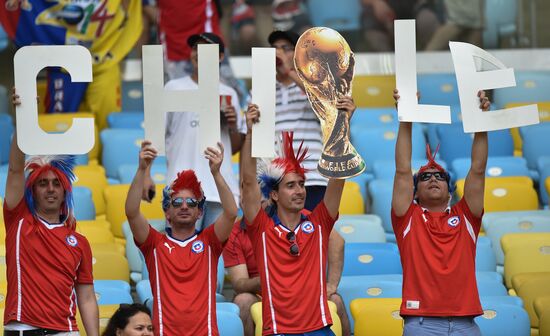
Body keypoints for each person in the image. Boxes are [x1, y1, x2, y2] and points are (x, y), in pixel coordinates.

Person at [242, 97, 355, 334]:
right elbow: (248, 183)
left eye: (302, 184)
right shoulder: (262, 229)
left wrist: (342, 126)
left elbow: (338, 179)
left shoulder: (319, 224)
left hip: (319, 328)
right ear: (273, 194)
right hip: (279, 330)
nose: (300, 190)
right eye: (291, 185)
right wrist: (250, 135)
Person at [391, 89, 490, 335]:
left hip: (466, 324)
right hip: (421, 323)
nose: (433, 178)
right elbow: (403, 170)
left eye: (440, 176)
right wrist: (406, 117)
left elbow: (477, 169)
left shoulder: (467, 216)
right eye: (424, 177)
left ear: (449, 190)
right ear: (414, 193)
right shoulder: (407, 218)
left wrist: (482, 123)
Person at [3, 91, 98, 335]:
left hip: (65, 331)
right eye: (43, 183)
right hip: (22, 329)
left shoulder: (80, 243)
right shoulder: (19, 220)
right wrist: (24, 119)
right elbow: (15, 170)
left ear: (66, 191)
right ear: (32, 190)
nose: (51, 189)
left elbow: (86, 297)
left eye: (57, 184)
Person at [126, 139, 238, 335]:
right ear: (167, 212)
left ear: (200, 212)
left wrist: (216, 173)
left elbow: (230, 212)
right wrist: (142, 169)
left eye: (192, 203)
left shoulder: (209, 241)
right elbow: (132, 212)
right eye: (177, 202)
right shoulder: (154, 244)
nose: (184, 206)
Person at [143, 32, 246, 231]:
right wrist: (146, 174)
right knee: (181, 255)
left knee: (217, 258)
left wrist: (232, 126)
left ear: (220, 57)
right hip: (181, 190)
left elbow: (233, 148)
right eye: (194, 48)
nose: (198, 53)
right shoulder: (173, 87)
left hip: (219, 189)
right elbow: (155, 135)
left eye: (205, 49)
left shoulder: (229, 93)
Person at [0, 0, 142, 130]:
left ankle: (106, 157)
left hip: (106, 57)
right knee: (59, 126)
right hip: (64, 63)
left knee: (110, 125)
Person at [361, 0, 442, 51]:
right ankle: (387, 66)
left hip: (413, 8)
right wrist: (376, 2)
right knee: (375, 37)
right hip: (381, 12)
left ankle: (427, 60)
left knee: (428, 20)